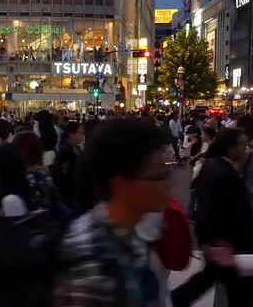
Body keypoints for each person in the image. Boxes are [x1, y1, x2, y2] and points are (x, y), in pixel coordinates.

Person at [53, 119, 170, 306]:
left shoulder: (129, 233)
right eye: (158, 176)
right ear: (121, 183)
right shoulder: (93, 256)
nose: (167, 184)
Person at [172, 128, 253, 307]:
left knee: (209, 281)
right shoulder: (221, 171)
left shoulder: (214, 165)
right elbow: (210, 207)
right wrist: (214, 240)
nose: (245, 148)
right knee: (231, 288)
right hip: (225, 242)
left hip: (222, 242)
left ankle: (173, 300)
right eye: (241, 144)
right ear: (230, 147)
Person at [52, 121, 84, 211]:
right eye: (79, 132)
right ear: (71, 134)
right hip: (69, 195)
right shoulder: (65, 152)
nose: (82, 135)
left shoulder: (77, 149)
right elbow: (62, 175)